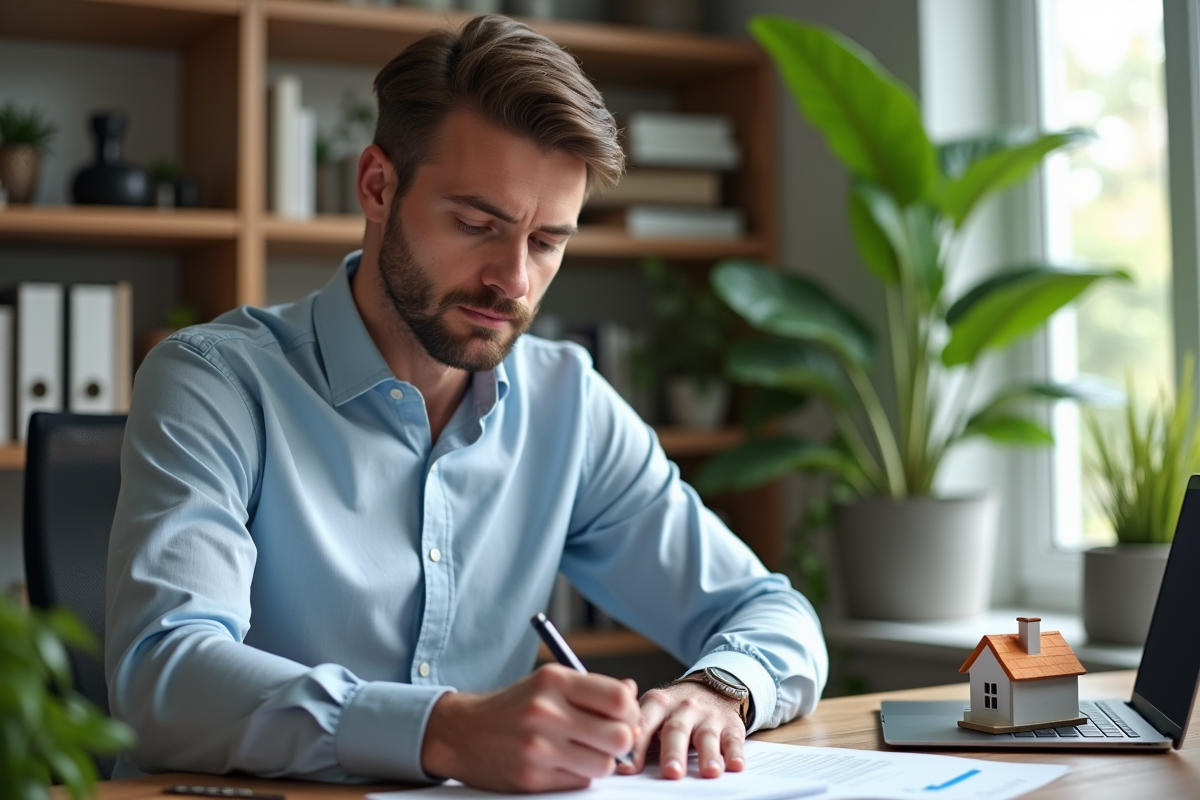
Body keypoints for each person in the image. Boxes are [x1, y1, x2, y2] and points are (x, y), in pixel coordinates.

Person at [105, 14, 827, 793]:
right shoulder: (213, 381)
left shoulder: (568, 403)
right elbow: (163, 677)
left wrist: (719, 690)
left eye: (547, 242)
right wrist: (441, 730)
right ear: (378, 185)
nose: (514, 281)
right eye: (478, 224)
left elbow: (766, 610)